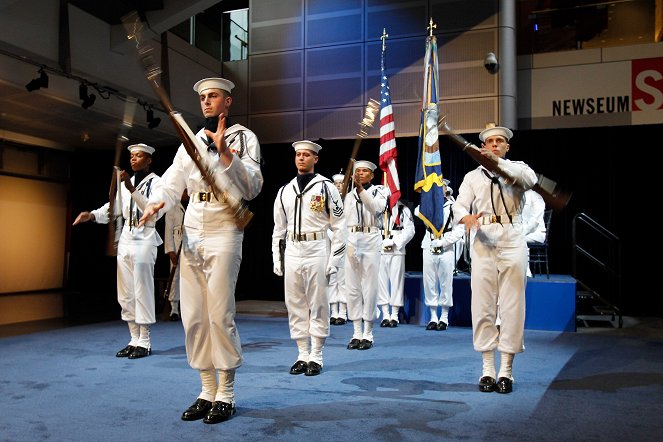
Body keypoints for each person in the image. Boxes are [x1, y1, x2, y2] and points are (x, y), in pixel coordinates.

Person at [138, 77, 263, 424]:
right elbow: (170, 183)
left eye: (213, 96)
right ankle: (206, 389)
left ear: (228, 103)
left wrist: (225, 153)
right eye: (203, 97)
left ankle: (227, 393)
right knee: (193, 315)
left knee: (219, 314)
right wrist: (155, 205)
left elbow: (253, 186)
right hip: (193, 230)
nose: (207, 101)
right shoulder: (189, 143)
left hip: (225, 229)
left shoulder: (244, 138)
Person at [453, 126, 537, 395]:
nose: (494, 144)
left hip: (512, 238)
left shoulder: (518, 168)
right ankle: (488, 368)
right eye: (490, 142)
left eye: (499, 141)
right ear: (483, 146)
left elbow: (530, 181)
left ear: (507, 147)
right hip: (484, 240)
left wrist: (498, 164)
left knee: (512, 305)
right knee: (483, 304)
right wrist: (464, 216)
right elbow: (459, 204)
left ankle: (507, 371)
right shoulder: (472, 177)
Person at [73, 143, 162, 359]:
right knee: (126, 293)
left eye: (139, 156)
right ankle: (133, 339)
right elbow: (112, 208)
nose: (133, 159)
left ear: (148, 160)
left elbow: (153, 211)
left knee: (142, 291)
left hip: (145, 240)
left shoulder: (157, 183)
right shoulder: (125, 183)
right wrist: (92, 215)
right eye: (131, 156)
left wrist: (131, 188)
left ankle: (145, 341)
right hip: (126, 240)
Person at [271, 141, 346, 376]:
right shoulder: (285, 190)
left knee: (318, 303)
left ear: (316, 159)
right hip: (293, 249)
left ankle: (317, 355)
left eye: (307, 155)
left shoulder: (326, 188)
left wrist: (335, 260)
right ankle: (302, 353)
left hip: (317, 247)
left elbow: (340, 226)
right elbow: (278, 229)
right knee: (295, 304)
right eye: (298, 155)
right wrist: (277, 257)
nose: (301, 158)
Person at [343, 160, 390, 350]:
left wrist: (361, 189)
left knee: (369, 287)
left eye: (364, 171)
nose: (360, 174)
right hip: (352, 238)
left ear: (371, 175)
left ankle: (368, 332)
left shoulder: (380, 191)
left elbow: (376, 208)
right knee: (352, 288)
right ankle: (356, 332)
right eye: (358, 171)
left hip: (370, 237)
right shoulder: (348, 195)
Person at [417, 181, 465, 331]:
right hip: (429, 245)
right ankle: (432, 316)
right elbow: (417, 211)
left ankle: (444, 316)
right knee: (429, 281)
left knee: (445, 282)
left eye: (441, 187)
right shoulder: (427, 206)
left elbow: (459, 230)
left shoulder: (453, 207)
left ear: (446, 190)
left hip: (446, 247)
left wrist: (444, 242)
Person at [377, 199, 415, 327]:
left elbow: (410, 230)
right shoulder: (377, 209)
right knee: (381, 283)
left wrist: (395, 241)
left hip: (396, 250)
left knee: (396, 282)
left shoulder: (403, 210)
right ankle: (385, 314)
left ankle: (394, 315)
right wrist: (379, 241)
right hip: (380, 248)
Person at [163, 190, 188, 321]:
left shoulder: (194, 204)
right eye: (185, 190)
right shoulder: (173, 205)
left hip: (192, 243)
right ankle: (174, 309)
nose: (187, 193)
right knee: (175, 276)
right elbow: (168, 230)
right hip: (177, 242)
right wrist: (170, 250)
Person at [328, 172, 349, 325]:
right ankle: (333, 311)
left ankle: (342, 312)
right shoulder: (328, 202)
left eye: (341, 184)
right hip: (329, 244)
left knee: (343, 280)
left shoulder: (349, 202)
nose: (338, 186)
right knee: (331, 279)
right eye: (336, 184)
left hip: (344, 244)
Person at [521, 189, 546, 277]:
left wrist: (520, 233)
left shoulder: (536, 197)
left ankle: (526, 270)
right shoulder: (516, 195)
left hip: (536, 233)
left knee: (518, 239)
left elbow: (535, 222)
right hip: (522, 232)